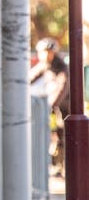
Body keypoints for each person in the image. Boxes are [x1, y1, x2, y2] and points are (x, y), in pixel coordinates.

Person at [29, 37, 69, 176]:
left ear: (53, 52)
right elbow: (30, 77)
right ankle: (56, 164)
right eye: (42, 52)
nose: (45, 55)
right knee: (52, 134)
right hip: (51, 106)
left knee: (63, 134)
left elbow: (62, 88)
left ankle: (63, 166)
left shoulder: (62, 67)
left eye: (48, 52)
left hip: (64, 107)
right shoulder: (44, 64)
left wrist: (52, 105)